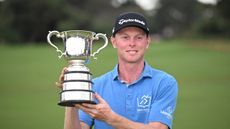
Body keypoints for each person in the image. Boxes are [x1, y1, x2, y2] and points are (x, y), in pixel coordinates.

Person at [57, 12, 178, 129]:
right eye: (125, 37)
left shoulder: (164, 83)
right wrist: (70, 96)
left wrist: (110, 118)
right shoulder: (95, 85)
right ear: (114, 42)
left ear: (147, 42)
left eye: (139, 37)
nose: (132, 43)